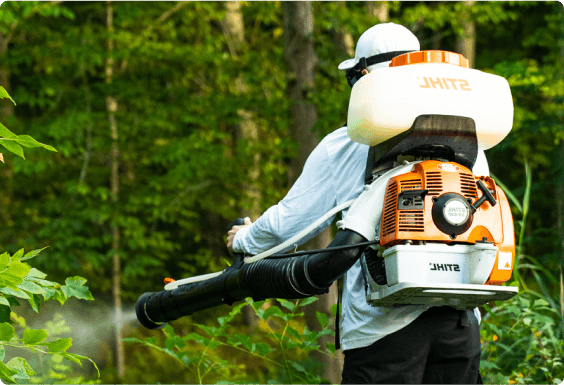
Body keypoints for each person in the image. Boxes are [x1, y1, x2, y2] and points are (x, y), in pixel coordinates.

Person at [227, 22, 484, 384]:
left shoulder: (346, 144)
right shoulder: (467, 141)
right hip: (459, 325)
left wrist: (243, 239)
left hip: (383, 329)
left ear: (363, 76)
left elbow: (290, 222)